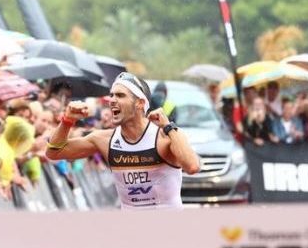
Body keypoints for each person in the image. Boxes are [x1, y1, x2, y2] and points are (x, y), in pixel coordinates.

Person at [45, 72, 200, 210]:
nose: (112, 100)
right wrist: (67, 120)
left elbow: (192, 166)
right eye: (111, 95)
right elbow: (54, 152)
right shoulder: (104, 139)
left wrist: (168, 126)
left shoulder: (163, 136)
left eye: (120, 95)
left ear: (140, 103)